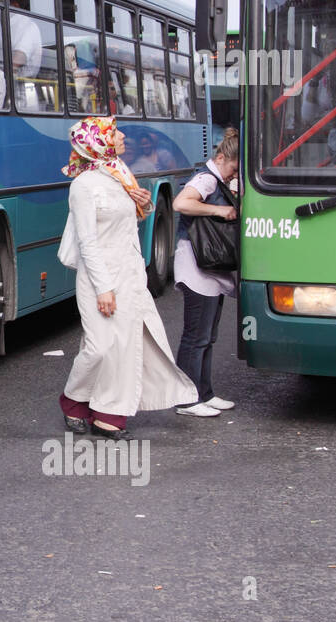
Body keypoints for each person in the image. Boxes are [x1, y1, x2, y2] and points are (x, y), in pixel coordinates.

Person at [57, 115, 196, 438]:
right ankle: (73, 399)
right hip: (98, 278)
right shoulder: (83, 185)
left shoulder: (119, 174)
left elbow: (124, 228)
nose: (121, 136)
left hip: (128, 274)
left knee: (125, 345)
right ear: (97, 141)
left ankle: (108, 415)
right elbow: (87, 241)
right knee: (99, 347)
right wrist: (103, 287)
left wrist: (142, 205)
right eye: (114, 132)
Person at [172, 127, 239, 417]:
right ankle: (186, 399)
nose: (233, 175)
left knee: (207, 336)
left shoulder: (219, 179)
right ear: (222, 157)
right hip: (195, 264)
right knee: (195, 336)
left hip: (209, 265)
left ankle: (204, 393)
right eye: (233, 169)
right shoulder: (206, 179)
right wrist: (218, 211)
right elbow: (180, 203)